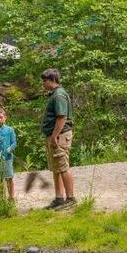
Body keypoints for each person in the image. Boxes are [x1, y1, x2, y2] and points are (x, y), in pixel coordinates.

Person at [40, 69, 76, 209]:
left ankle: (71, 199)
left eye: (45, 81)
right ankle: (59, 198)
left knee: (63, 167)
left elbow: (62, 118)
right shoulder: (54, 94)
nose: (43, 83)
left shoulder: (59, 95)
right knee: (56, 168)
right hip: (54, 136)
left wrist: (54, 136)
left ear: (52, 80)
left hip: (60, 136)